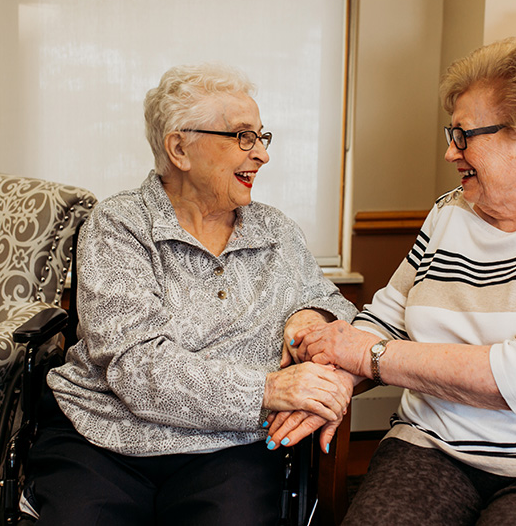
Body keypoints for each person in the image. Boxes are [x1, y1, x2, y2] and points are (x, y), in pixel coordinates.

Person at [273, 37, 516, 525]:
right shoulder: (449, 212)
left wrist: (366, 357)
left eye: (464, 135)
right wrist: (329, 383)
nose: (450, 151)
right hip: (432, 445)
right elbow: (385, 320)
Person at [24, 63, 358, 525]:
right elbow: (135, 366)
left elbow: (338, 308)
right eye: (243, 136)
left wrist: (311, 314)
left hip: (228, 445)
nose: (261, 155)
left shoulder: (276, 231)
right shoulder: (118, 225)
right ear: (179, 147)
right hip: (106, 436)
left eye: (262, 137)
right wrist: (267, 389)